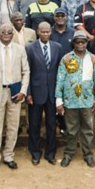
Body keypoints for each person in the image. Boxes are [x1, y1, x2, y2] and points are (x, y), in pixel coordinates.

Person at [0, 23, 30, 172]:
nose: (6, 34)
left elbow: (26, 72)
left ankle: (9, 155)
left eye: (9, 32)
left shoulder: (20, 49)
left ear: (12, 34)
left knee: (13, 127)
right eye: (3, 32)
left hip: (15, 93)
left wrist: (23, 91)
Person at [56, 32, 95, 167]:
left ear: (87, 43)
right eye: (78, 42)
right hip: (70, 101)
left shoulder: (93, 59)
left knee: (88, 129)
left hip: (87, 101)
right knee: (71, 130)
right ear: (74, 43)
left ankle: (88, 154)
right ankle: (69, 153)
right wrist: (59, 100)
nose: (81, 44)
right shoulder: (66, 58)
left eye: (83, 42)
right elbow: (60, 80)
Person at [25, 22, 63, 165]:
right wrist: (28, 92)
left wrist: (60, 92)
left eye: (48, 32)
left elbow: (61, 71)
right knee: (34, 125)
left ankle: (50, 153)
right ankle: (35, 152)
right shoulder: (30, 48)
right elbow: (27, 71)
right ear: (38, 32)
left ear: (50, 32)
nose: (45, 34)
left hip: (52, 92)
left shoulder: (57, 47)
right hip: (35, 92)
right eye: (43, 32)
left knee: (51, 125)